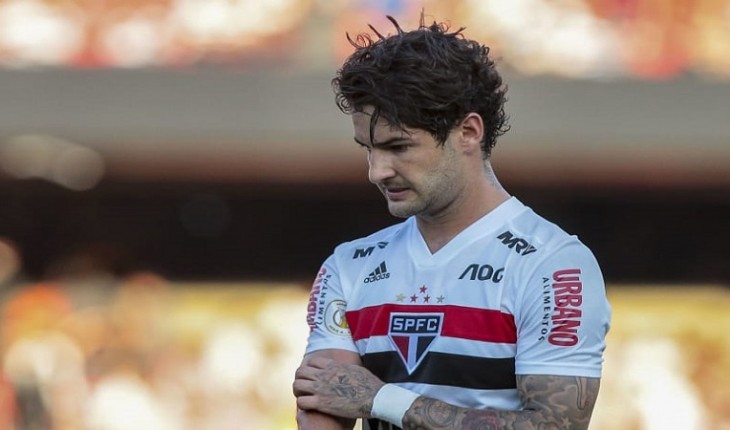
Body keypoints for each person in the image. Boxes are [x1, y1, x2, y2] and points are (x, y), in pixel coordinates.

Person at [292, 13, 611, 430]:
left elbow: (557, 426)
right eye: (368, 149)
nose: (377, 171)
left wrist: (382, 399)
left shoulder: (553, 264)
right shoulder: (350, 265)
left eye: (398, 146)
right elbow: (325, 397)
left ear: (469, 132)